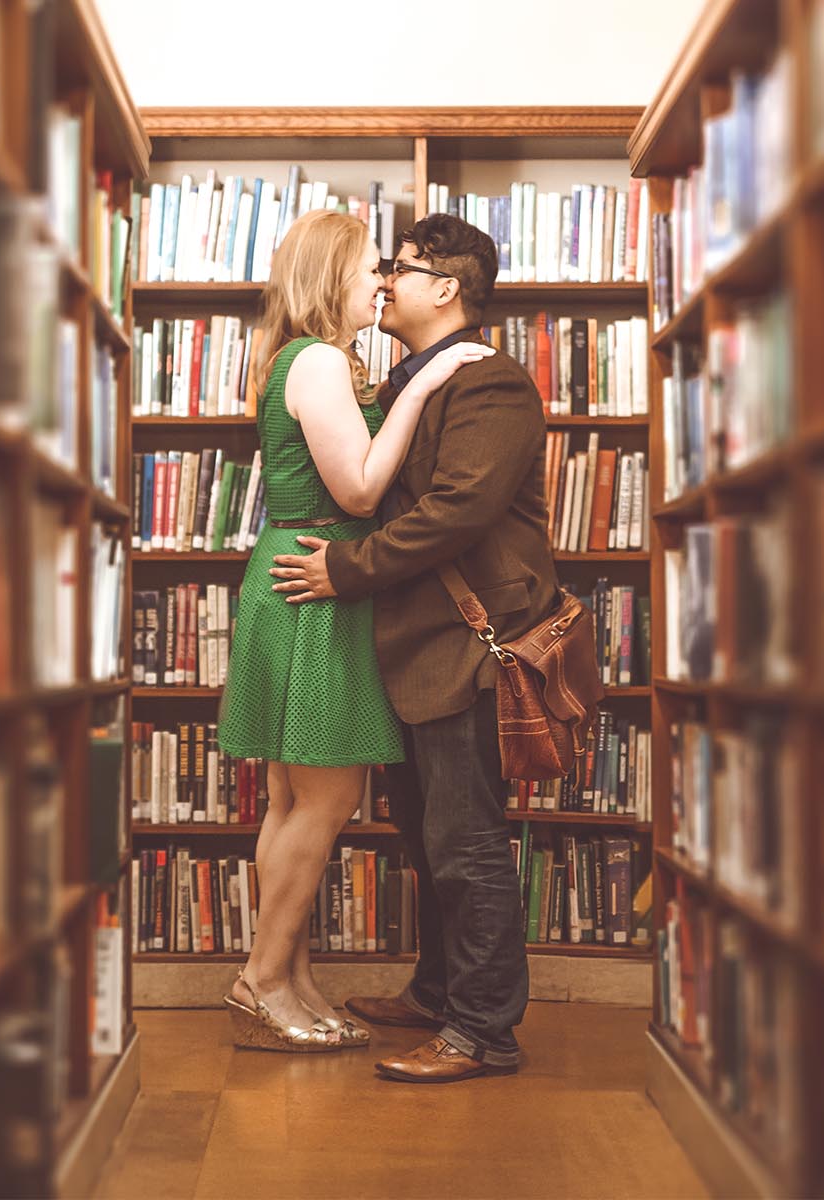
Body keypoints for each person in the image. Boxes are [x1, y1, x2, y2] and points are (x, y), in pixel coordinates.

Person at [267, 213, 559, 1083]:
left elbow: (457, 512)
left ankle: (482, 1031)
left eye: (403, 267)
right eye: (379, 267)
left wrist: (347, 570)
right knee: (428, 837)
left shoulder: (489, 382)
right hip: (413, 642)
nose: (385, 280)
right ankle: (438, 993)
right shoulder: (408, 377)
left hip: (466, 646)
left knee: (466, 841)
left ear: (447, 288)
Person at [215, 209, 495, 1052]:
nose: (380, 280)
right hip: (318, 581)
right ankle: (263, 980)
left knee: (293, 797)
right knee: (328, 795)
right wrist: (425, 382)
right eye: (370, 265)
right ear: (331, 274)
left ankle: (288, 978)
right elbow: (364, 492)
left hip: (292, 575)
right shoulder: (322, 362)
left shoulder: (295, 360)